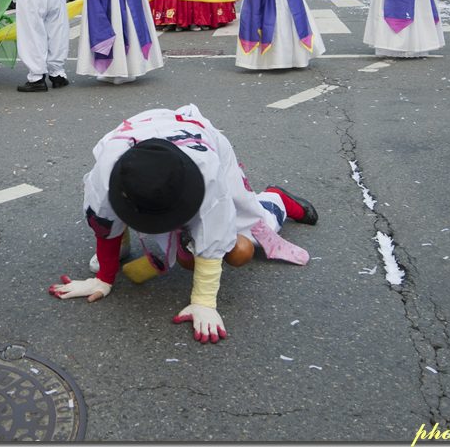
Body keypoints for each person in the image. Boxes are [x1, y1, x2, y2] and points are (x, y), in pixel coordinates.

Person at [48, 104, 317, 344]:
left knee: (244, 240)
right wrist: (104, 278)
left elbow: (214, 232)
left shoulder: (209, 173)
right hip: (138, 140)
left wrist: (204, 302)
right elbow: (104, 217)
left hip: (196, 139)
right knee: (122, 214)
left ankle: (277, 200)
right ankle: (124, 246)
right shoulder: (106, 174)